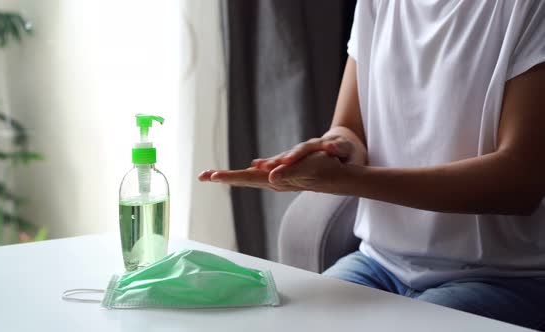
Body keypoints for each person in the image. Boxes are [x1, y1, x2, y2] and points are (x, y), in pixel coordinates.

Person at [199, 0, 545, 329]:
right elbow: (350, 128)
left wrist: (348, 180)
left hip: (504, 277)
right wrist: (330, 150)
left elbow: (518, 183)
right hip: (378, 264)